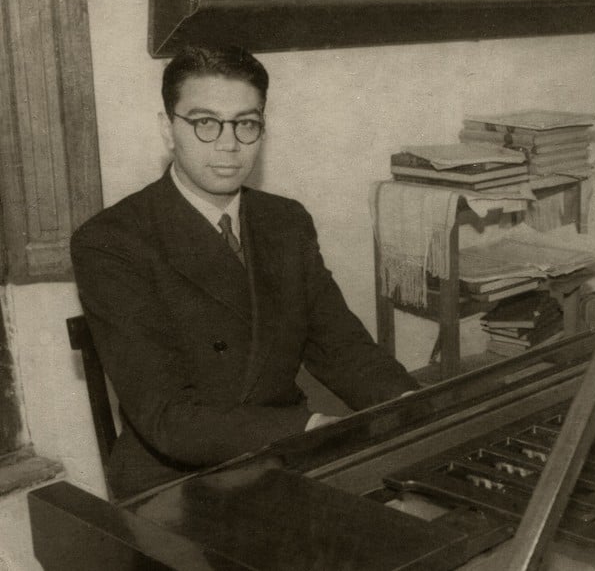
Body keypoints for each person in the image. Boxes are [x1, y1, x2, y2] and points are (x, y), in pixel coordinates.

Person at [71, 44, 418, 500]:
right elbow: (170, 420)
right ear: (167, 129)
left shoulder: (286, 221)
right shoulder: (111, 240)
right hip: (176, 483)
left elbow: (343, 348)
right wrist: (309, 426)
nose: (229, 144)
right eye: (205, 123)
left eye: (246, 123)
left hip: (282, 457)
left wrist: (412, 405)